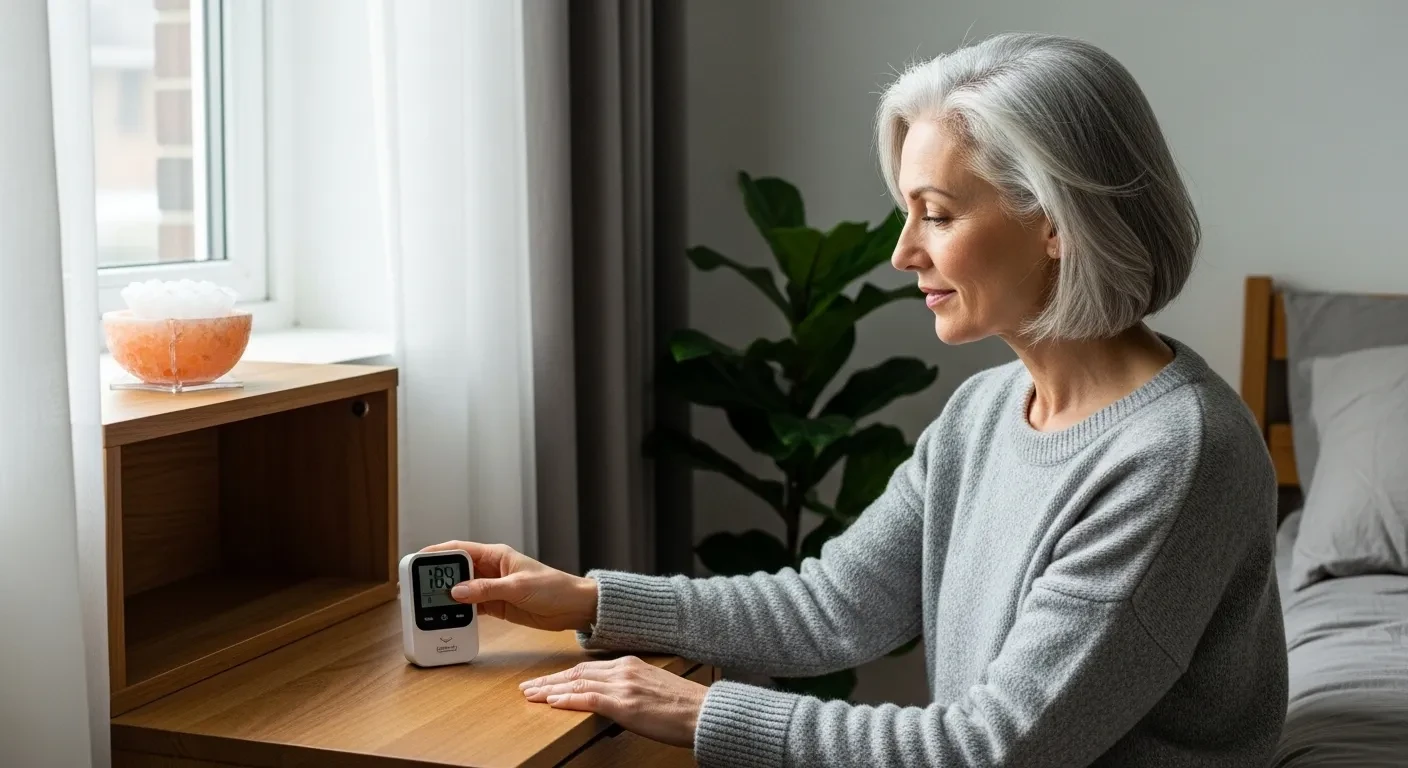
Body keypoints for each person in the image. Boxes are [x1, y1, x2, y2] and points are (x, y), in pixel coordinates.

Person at [424, 31, 1287, 767]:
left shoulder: (1178, 455)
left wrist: (699, 713)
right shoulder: (986, 413)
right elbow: (833, 606)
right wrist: (590, 600)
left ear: (1056, 221)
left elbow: (995, 750)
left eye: (937, 214)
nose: (903, 253)